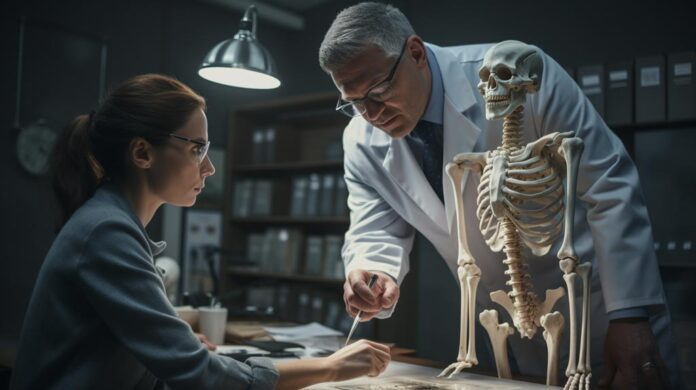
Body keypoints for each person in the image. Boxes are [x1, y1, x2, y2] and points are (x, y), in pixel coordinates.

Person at [318, 2, 678, 389]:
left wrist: (630, 316)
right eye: (352, 102)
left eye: (379, 90)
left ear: (416, 53)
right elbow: (375, 226)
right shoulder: (359, 138)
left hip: (597, 311)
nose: (370, 114)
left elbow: (609, 183)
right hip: (500, 328)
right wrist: (372, 271)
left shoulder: (516, 72)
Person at [10, 74, 391, 389]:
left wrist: (173, 341)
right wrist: (331, 367)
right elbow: (198, 375)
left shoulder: (111, 224)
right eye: (197, 149)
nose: (209, 168)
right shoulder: (106, 231)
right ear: (142, 153)